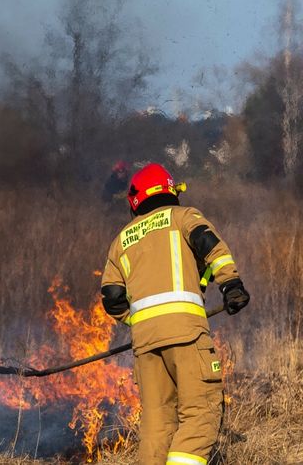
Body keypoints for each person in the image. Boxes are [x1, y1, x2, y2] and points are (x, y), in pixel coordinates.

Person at [100, 163, 249, 465]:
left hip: (145, 344)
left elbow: (112, 298)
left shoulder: (121, 241)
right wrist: (231, 285)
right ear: (170, 190)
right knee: (201, 414)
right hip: (186, 333)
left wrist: (141, 322)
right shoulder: (184, 217)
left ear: (135, 200)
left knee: (157, 426)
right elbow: (212, 248)